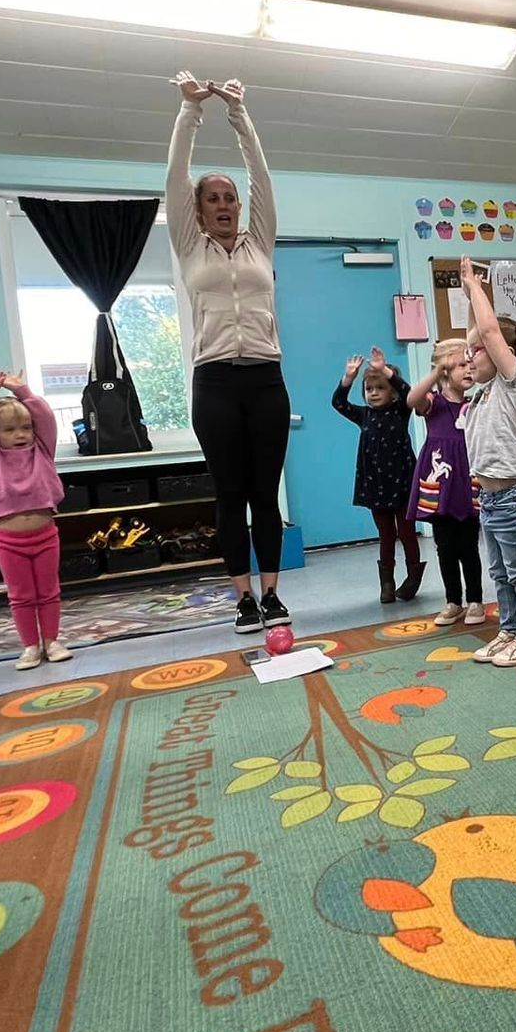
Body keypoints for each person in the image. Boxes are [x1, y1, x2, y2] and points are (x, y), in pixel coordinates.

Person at [166, 73, 291, 635]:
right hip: (213, 382)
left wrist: (241, 114)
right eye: (212, 198)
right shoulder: (190, 245)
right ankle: (242, 597)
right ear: (197, 209)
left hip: (265, 379)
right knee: (230, 491)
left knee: (266, 494)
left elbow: (261, 178)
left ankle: (272, 593)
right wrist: (189, 113)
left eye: (229, 197)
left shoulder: (258, 240)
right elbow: (174, 178)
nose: (224, 204)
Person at [460, 257, 516, 668]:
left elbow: (490, 332)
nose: (469, 357)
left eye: (476, 352)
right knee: (499, 574)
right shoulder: (480, 393)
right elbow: (476, 333)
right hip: (491, 501)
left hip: (513, 498)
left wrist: (477, 289)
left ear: (504, 355)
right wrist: (468, 296)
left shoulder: (509, 384)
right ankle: (510, 630)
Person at [0, 372, 69, 671]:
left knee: (48, 591)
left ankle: (52, 641)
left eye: (25, 428)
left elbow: (45, 417)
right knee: (21, 596)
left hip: (46, 535)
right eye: (9, 429)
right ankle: (30, 646)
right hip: (9, 541)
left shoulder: (43, 451)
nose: (20, 434)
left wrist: (23, 391)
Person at [332, 345, 425, 603]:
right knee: (386, 534)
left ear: (393, 393)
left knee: (406, 532)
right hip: (375, 485)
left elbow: (409, 392)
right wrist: (348, 379)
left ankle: (413, 577)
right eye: (369, 389)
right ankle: (387, 582)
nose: (373, 394)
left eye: (380, 388)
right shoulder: (364, 415)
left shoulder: (400, 410)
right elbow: (338, 402)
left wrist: (385, 369)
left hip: (403, 482)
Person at [408, 336, 485, 626]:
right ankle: (453, 601)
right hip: (439, 484)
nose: (468, 370)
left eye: (470, 364)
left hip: (467, 481)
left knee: (469, 544)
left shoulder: (474, 403)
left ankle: (475, 600)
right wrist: (435, 374)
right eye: (460, 365)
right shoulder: (433, 402)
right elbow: (411, 400)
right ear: (444, 371)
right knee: (445, 546)